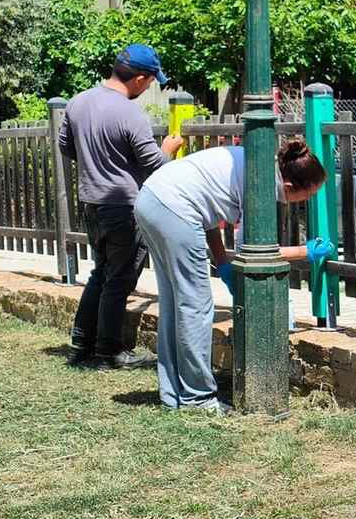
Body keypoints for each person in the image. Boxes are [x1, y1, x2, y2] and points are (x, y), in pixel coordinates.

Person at [134, 140, 331, 413]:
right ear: (289, 186)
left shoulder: (256, 162)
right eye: (308, 195)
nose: (306, 202)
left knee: (174, 301)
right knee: (196, 306)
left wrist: (222, 263)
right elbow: (254, 250)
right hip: (176, 207)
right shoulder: (262, 183)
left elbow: (208, 215)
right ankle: (198, 399)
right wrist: (305, 251)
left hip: (151, 199)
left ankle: (173, 394)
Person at [59, 44, 183, 368]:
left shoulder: (77, 102)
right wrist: (168, 148)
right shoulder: (130, 113)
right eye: (151, 81)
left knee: (101, 272)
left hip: (91, 202)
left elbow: (65, 146)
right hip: (123, 207)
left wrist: (96, 163)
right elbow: (154, 164)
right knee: (119, 279)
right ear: (139, 78)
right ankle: (109, 351)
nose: (149, 86)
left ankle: (81, 345)